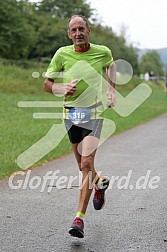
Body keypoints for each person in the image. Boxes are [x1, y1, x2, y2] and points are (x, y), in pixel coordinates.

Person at [43, 15, 116, 238]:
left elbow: (110, 65)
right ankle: (100, 183)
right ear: (69, 34)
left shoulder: (102, 51)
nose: (78, 33)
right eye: (73, 30)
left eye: (81, 28)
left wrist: (111, 90)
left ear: (88, 30)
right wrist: (61, 88)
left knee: (86, 162)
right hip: (71, 114)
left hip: (94, 112)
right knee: (82, 166)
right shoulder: (61, 54)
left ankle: (79, 219)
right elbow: (47, 84)